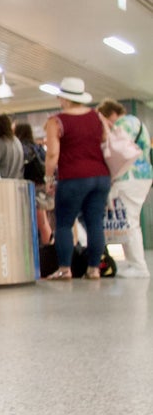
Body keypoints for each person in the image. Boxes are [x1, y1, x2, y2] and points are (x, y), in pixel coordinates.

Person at [43, 77, 111, 280]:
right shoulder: (97, 117)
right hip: (101, 176)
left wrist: (48, 178)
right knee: (94, 223)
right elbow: (106, 140)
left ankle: (65, 269)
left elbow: (53, 154)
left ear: (64, 99)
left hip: (73, 177)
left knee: (64, 223)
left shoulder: (56, 121)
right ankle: (94, 269)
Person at [97, 98, 152, 278]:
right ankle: (134, 263)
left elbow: (115, 147)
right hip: (141, 176)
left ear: (111, 114)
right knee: (130, 220)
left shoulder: (124, 123)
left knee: (129, 221)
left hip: (130, 176)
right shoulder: (138, 123)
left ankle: (138, 266)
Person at [15, 122, 53, 245]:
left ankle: (40, 249)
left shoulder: (20, 147)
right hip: (41, 185)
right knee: (43, 220)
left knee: (32, 221)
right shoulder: (38, 147)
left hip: (28, 187)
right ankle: (49, 248)